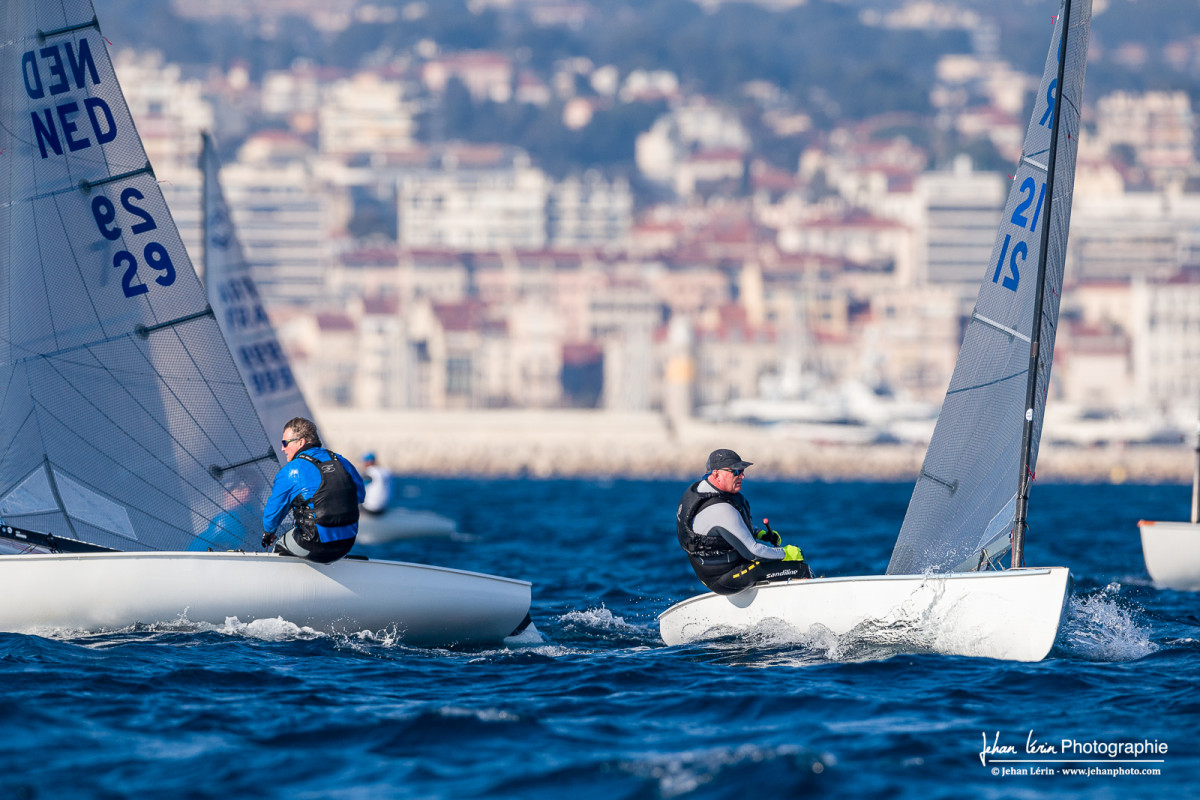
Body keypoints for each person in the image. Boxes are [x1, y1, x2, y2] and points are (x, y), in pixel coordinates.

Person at [676, 448, 813, 595]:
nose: (742, 476)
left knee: (775, 565)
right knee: (799, 567)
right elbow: (752, 552)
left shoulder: (702, 489)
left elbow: (729, 528)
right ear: (716, 474)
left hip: (715, 570)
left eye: (742, 471)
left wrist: (760, 534)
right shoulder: (720, 509)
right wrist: (785, 553)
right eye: (735, 472)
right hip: (724, 578)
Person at [261, 417, 365, 563]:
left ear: (301, 442)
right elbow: (360, 496)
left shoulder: (291, 470)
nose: (282, 448)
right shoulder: (341, 461)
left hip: (314, 546)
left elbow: (271, 517)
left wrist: (268, 533)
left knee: (280, 545)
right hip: (347, 543)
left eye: (285, 443)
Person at [189, 478, 257, 551]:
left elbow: (197, 550)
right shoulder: (261, 518)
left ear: (245, 492)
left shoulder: (230, 519)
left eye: (230, 487)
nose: (225, 493)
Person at [360, 452, 393, 516]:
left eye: (363, 462)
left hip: (370, 509)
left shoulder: (369, 471)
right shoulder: (386, 471)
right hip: (383, 508)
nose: (362, 464)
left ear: (368, 462)